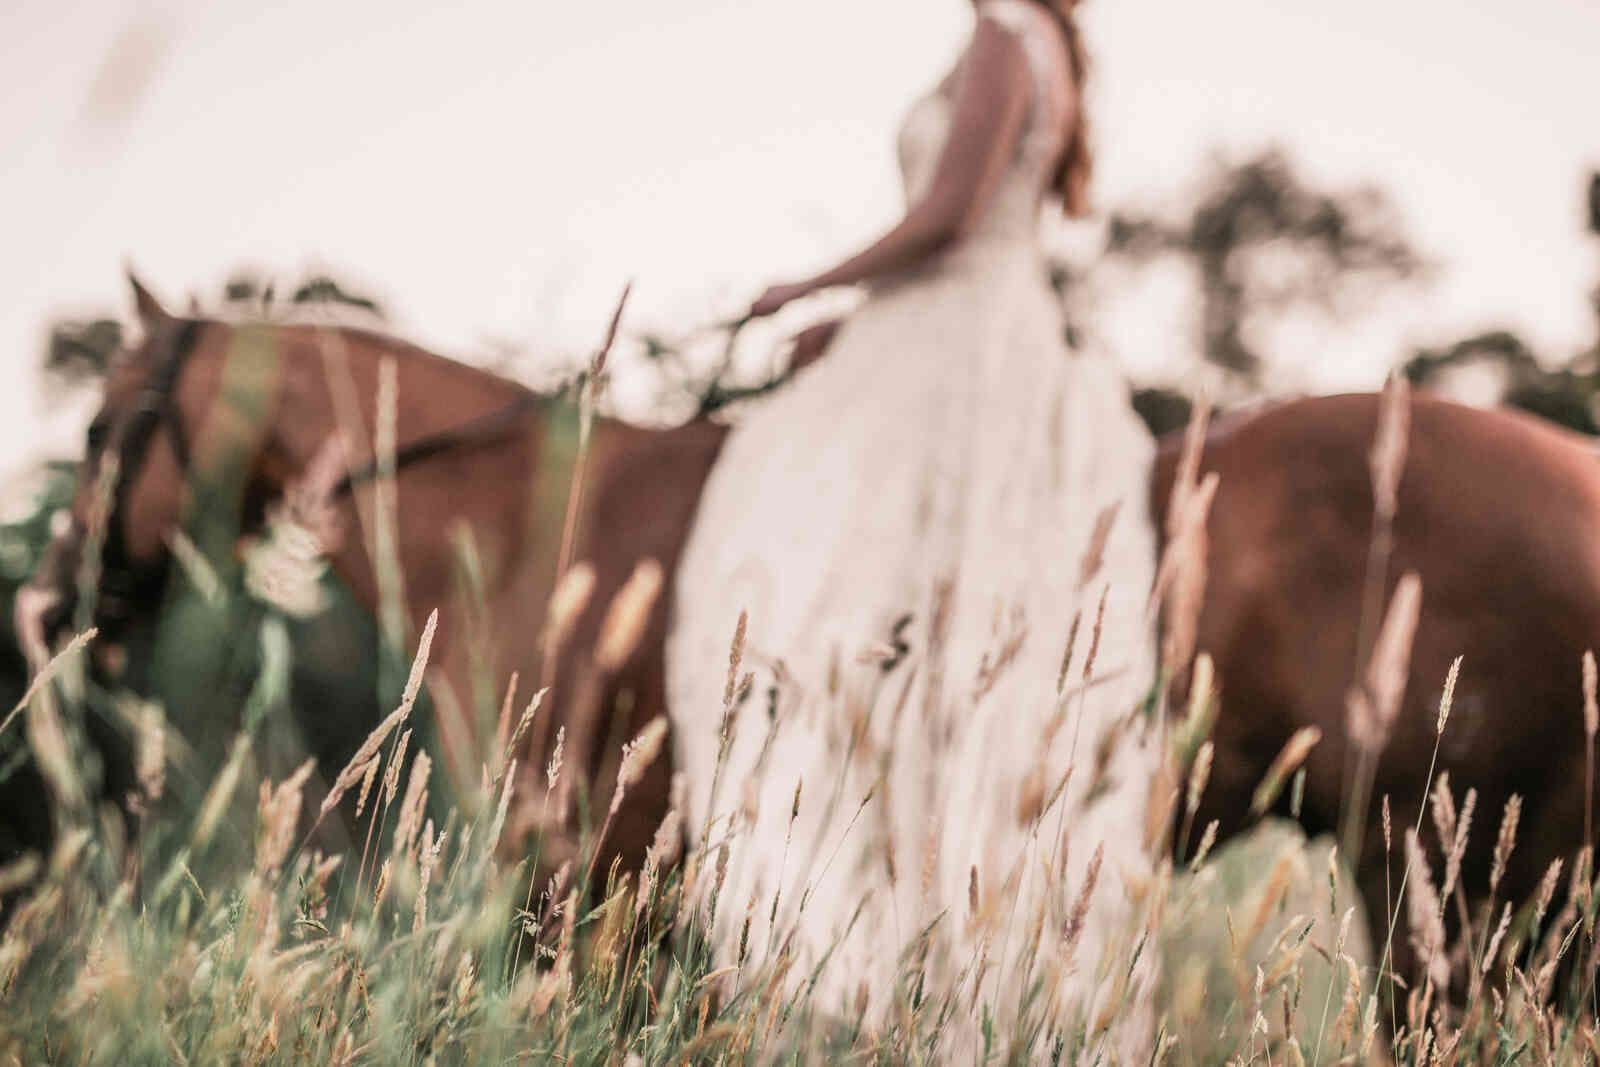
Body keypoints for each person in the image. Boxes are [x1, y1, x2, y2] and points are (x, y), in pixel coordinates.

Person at [666, 0, 1159, 1054]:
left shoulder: (1002, 32)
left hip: (954, 341)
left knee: (794, 565)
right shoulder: (1048, 44)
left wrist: (804, 284)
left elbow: (948, 214)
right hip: (980, 326)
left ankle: (836, 922)